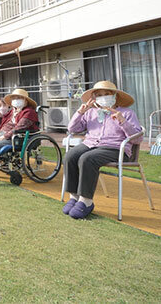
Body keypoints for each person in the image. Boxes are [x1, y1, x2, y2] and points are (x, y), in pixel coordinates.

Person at [62, 81, 143, 219]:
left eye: (107, 94)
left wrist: (122, 121)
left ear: (115, 96)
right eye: (99, 95)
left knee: (87, 159)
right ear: (94, 98)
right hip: (91, 144)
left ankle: (86, 201)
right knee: (70, 156)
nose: (103, 97)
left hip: (116, 148)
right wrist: (80, 112)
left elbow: (137, 139)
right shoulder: (91, 112)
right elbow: (72, 129)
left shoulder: (127, 113)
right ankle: (74, 197)